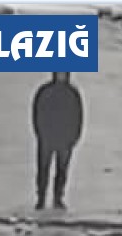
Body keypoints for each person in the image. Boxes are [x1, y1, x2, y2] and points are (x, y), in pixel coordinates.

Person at [32, 72, 84, 210]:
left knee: (62, 171)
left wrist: (74, 137)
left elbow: (78, 116)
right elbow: (37, 113)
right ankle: (41, 198)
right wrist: (40, 133)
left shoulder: (72, 94)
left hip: (65, 140)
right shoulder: (45, 92)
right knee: (43, 170)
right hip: (47, 138)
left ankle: (58, 198)